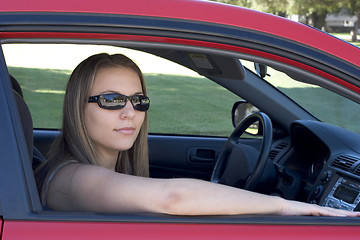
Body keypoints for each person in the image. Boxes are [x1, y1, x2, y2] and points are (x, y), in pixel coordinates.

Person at [35, 53, 360, 217]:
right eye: (111, 100)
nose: (129, 112)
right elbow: (173, 198)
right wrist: (288, 207)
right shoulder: (71, 177)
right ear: (78, 107)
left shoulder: (96, 170)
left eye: (139, 100)